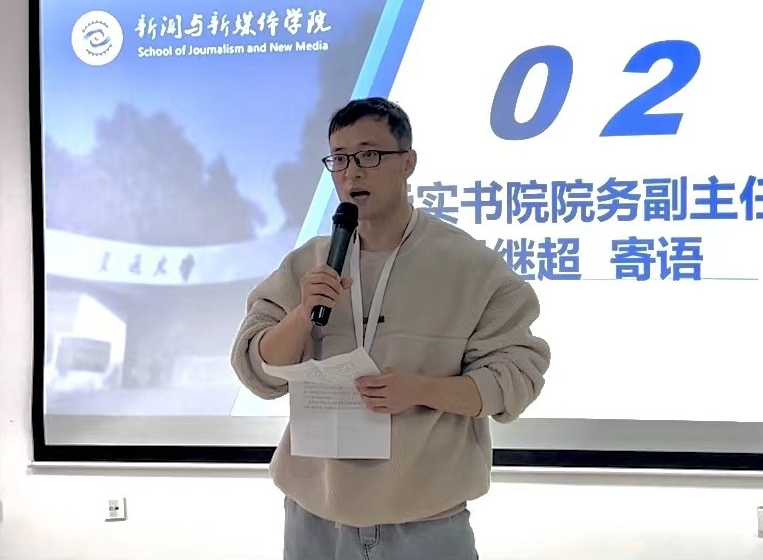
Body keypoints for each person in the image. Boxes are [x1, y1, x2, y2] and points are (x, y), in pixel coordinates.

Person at [230, 97, 551, 560]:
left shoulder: (469, 266)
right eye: (340, 159)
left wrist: (420, 390)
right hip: (314, 519)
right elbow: (256, 369)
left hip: (426, 522)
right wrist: (301, 314)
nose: (352, 173)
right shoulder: (308, 263)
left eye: (368, 155)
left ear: (408, 162)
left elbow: (517, 378)